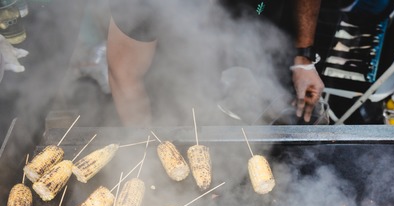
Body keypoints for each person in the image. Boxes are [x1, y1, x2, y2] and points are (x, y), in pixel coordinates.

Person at [107, 0, 324, 127]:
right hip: (176, 75)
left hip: (267, 33)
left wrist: (303, 58)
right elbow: (124, 74)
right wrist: (145, 142)